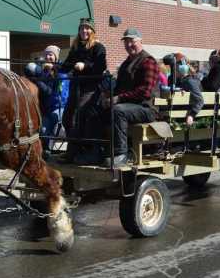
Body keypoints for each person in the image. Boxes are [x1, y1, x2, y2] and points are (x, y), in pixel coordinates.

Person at [97, 28, 159, 167]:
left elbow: (145, 92)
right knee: (96, 110)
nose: (129, 45)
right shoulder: (126, 63)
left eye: (132, 41)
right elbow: (119, 89)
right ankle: (99, 150)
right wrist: (108, 95)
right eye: (126, 42)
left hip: (146, 108)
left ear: (140, 41)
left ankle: (121, 154)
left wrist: (118, 98)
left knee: (117, 111)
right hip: (129, 106)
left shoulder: (148, 61)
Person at [61, 18, 107, 161]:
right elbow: (66, 66)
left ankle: (73, 153)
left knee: (77, 118)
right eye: (82, 28)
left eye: (87, 28)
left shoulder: (98, 48)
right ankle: (77, 147)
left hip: (91, 90)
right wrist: (52, 67)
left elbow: (100, 68)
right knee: (67, 118)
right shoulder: (75, 47)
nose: (84, 31)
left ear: (92, 31)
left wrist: (85, 66)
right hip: (76, 88)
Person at [30, 45, 70, 154]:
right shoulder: (44, 71)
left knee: (49, 129)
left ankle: (48, 150)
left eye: (51, 54)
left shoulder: (62, 70)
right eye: (46, 54)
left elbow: (59, 94)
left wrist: (41, 83)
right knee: (39, 129)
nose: (48, 57)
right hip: (46, 109)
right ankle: (44, 151)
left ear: (56, 57)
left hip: (60, 108)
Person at [163, 53, 203, 126]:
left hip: (181, 117)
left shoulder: (190, 81)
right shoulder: (175, 80)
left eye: (175, 66)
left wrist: (191, 115)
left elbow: (199, 100)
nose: (173, 69)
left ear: (183, 67)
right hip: (174, 114)